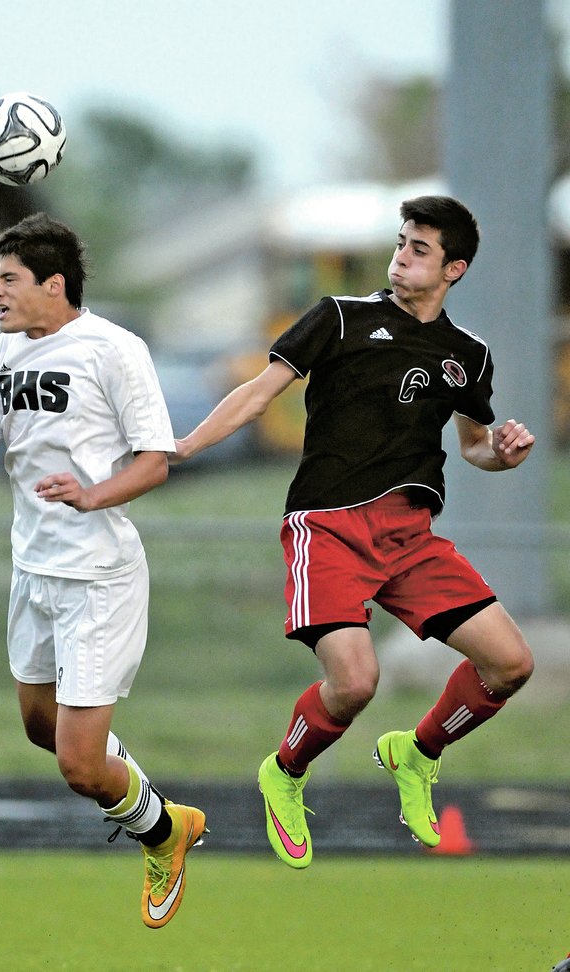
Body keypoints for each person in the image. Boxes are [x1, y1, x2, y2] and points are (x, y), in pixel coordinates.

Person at [173, 195, 534, 866]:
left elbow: (476, 445)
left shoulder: (467, 355)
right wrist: (182, 448)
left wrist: (502, 455)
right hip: (329, 526)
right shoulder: (339, 318)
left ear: (454, 269)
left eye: (420, 248)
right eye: (402, 242)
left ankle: (417, 753)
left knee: (510, 663)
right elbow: (257, 393)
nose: (403, 255)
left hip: (410, 535)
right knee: (357, 682)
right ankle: (284, 770)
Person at [0, 212, 206, 925]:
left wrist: (91, 495)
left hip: (99, 576)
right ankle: (156, 808)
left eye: (7, 279)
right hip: (33, 572)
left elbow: (156, 462)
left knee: (79, 767)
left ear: (53, 284)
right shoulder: (4, 351)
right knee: (41, 728)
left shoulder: (115, 350)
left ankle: (164, 832)